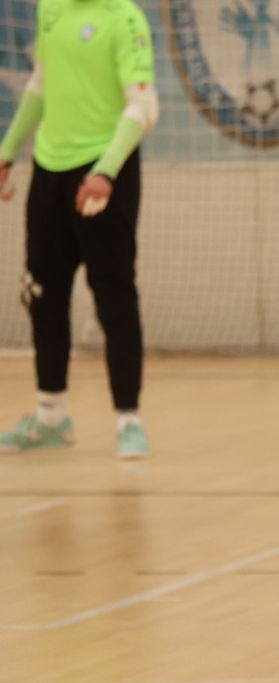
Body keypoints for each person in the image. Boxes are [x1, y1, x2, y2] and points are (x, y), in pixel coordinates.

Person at [0, 0, 159, 459]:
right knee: (41, 291)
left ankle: (129, 418)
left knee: (113, 292)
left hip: (106, 169)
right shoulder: (50, 8)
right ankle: (51, 415)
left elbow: (143, 105)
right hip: (50, 170)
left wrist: (106, 171)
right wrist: (8, 150)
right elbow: (40, 84)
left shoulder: (123, 18)